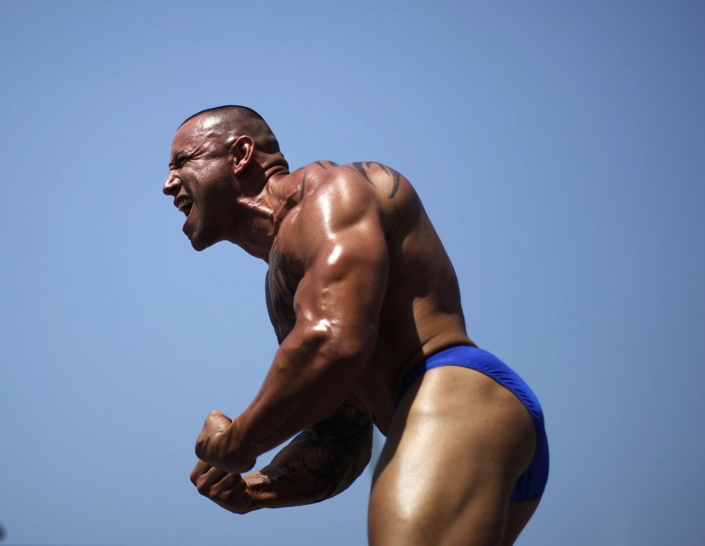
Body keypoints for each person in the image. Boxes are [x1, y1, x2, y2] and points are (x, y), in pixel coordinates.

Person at [163, 106, 549, 545]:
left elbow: (333, 343)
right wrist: (253, 489)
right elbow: (343, 439)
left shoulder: (332, 194)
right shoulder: (285, 283)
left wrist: (237, 443)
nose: (167, 182)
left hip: (451, 398)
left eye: (181, 162)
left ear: (241, 154)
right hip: (448, 423)